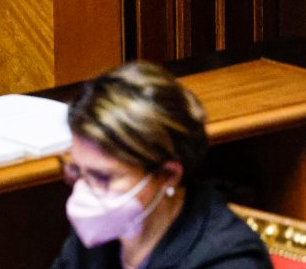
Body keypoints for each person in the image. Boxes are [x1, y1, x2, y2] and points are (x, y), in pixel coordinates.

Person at [51, 61, 272, 269]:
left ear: (168, 175)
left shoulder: (230, 260)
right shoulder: (100, 235)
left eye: (102, 177)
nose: (84, 193)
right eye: (76, 172)